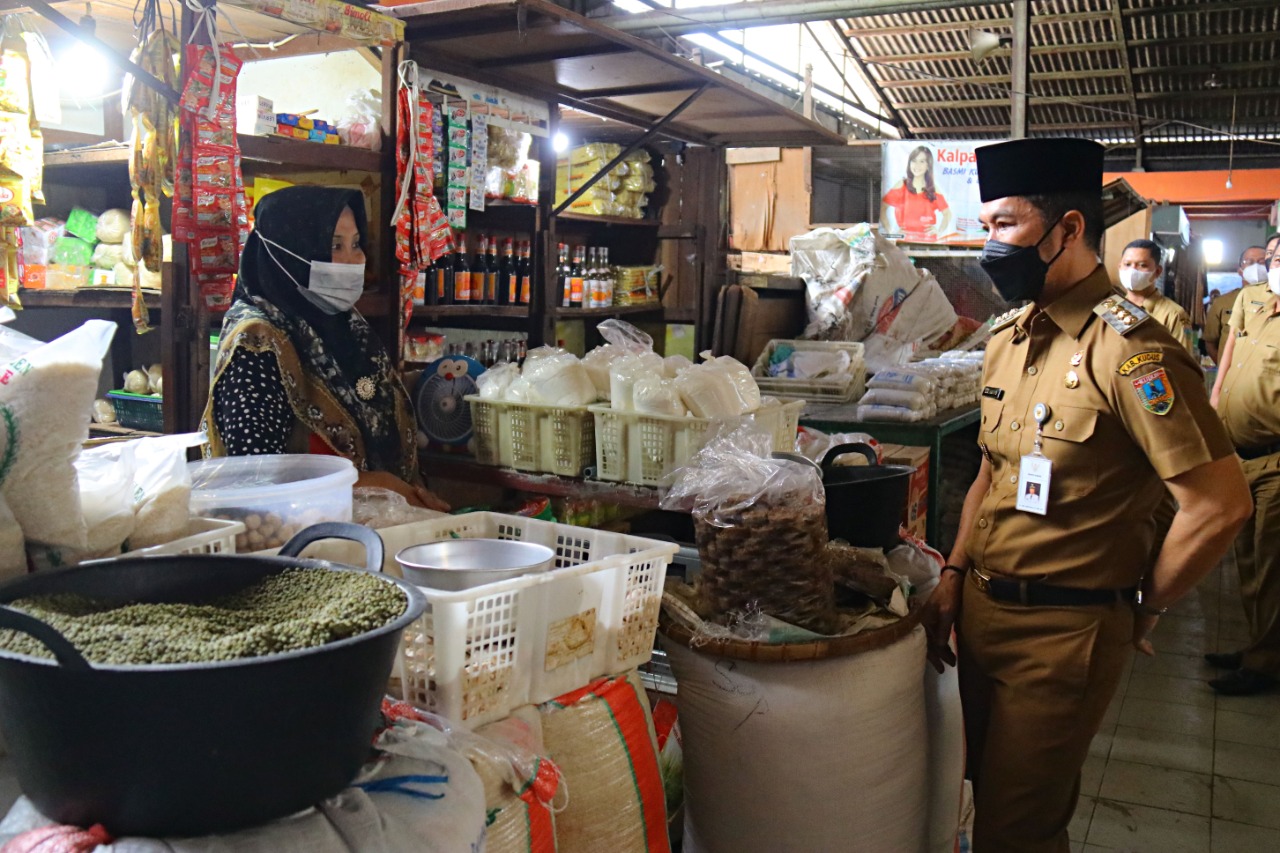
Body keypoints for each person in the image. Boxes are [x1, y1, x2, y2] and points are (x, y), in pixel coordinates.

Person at [919, 137, 1251, 853]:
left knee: (1019, 828)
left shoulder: (1133, 351)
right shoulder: (1010, 338)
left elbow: (1218, 504)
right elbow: (989, 471)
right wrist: (952, 573)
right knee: (974, 801)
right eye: (985, 227)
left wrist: (1145, 604)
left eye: (1005, 224)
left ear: (1068, 228)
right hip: (980, 616)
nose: (989, 244)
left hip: (1063, 634)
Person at [203, 186, 449, 511]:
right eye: (334, 245)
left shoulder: (349, 330)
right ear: (289, 250)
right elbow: (254, 481)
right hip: (294, 549)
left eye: (356, 243)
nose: (353, 259)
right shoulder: (256, 345)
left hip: (368, 538)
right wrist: (378, 487)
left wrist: (408, 494)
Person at [1204, 243, 1280, 694]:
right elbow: (1227, 361)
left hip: (1275, 455)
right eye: (1276, 260)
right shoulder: (1254, 304)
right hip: (1240, 454)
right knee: (1249, 559)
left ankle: (1266, 662)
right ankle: (1261, 646)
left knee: (1272, 564)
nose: (1275, 267)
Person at [1117, 239, 1193, 353]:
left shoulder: (1174, 315)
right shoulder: (1112, 309)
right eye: (1127, 264)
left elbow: (1184, 364)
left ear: (1157, 271)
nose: (1132, 270)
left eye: (1142, 265)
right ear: (1119, 267)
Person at [1204, 245, 1266, 363]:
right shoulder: (1222, 302)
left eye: (1261, 262)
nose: (1256, 267)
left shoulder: (1275, 301)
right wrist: (1225, 370)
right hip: (1230, 375)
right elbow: (1210, 342)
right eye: (1249, 262)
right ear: (1240, 271)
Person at [880, 145, 953, 241]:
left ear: (928, 165)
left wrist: (939, 232)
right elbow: (882, 208)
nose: (917, 165)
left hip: (928, 242)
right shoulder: (902, 185)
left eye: (922, 161)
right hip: (904, 242)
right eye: (914, 161)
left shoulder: (933, 188)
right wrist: (892, 232)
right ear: (909, 163)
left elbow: (947, 214)